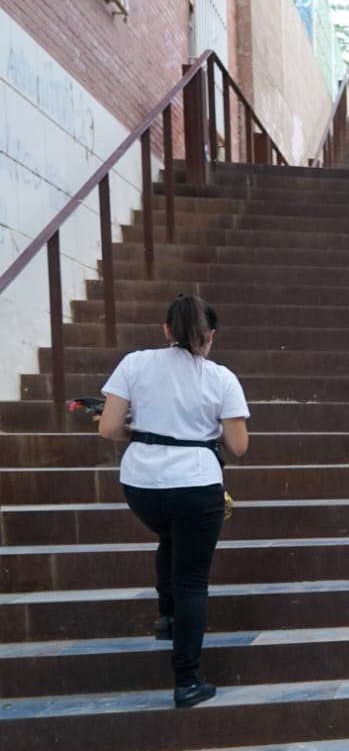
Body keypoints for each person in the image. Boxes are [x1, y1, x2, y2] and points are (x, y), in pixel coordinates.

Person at [99, 294, 249, 709]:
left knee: (168, 536)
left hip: (142, 484)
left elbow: (109, 427)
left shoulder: (134, 363)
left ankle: (167, 616)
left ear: (167, 329)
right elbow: (238, 445)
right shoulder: (220, 377)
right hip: (196, 483)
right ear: (210, 336)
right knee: (193, 581)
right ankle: (187, 680)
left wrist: (147, 431)